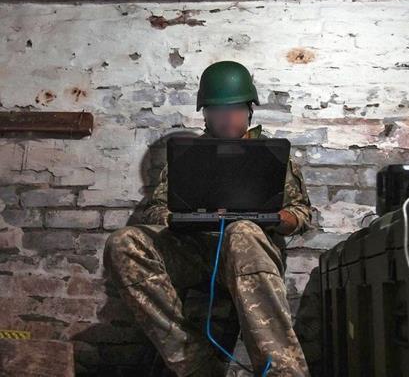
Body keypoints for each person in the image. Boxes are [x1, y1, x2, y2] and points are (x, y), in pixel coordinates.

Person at [103, 61, 312, 376]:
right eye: (217, 110)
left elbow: (302, 215)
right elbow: (156, 208)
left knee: (242, 231)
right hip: (195, 250)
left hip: (248, 254)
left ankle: (283, 372)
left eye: (235, 109)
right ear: (205, 113)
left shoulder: (270, 155)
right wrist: (182, 217)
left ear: (249, 110)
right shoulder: (188, 156)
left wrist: (274, 218)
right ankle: (195, 362)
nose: (227, 117)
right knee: (124, 244)